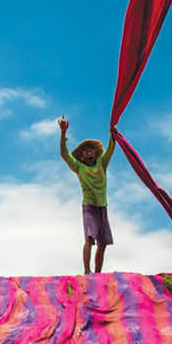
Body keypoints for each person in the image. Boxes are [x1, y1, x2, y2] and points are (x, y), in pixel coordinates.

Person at [58, 117, 116, 274]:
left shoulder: (102, 163)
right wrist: (63, 133)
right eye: (85, 151)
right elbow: (64, 154)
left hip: (102, 206)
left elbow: (111, 149)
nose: (88, 152)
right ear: (82, 156)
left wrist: (113, 135)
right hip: (89, 206)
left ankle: (98, 273)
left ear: (95, 153)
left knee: (103, 242)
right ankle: (86, 270)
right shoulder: (79, 167)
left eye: (91, 150)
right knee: (90, 238)